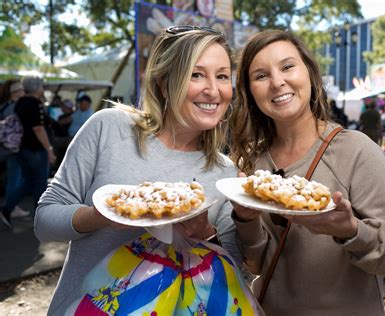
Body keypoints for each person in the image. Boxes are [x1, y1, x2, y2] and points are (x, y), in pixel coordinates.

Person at [35, 26, 240, 315]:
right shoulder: (108, 127)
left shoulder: (224, 171)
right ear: (164, 81)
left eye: (222, 76)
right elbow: (44, 221)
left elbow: (234, 267)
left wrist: (205, 233)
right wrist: (101, 216)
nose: (213, 89)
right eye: (196, 74)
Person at [229, 30, 385, 315]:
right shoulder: (253, 164)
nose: (278, 82)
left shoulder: (357, 151)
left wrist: (351, 231)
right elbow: (256, 265)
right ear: (250, 91)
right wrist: (246, 218)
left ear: (310, 74)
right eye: (261, 75)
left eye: (288, 66)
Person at [0, 77, 56, 227]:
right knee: (39, 183)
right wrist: (49, 149)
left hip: (22, 148)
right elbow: (38, 128)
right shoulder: (34, 103)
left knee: (29, 181)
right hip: (35, 149)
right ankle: (40, 218)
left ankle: (7, 208)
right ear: (37, 88)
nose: (43, 88)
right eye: (42, 86)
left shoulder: (21, 102)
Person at [0, 80, 28, 227]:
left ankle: (10, 205)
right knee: (14, 179)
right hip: (13, 149)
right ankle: (10, 207)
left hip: (5, 147)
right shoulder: (14, 107)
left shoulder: (4, 105)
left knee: (12, 178)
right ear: (16, 92)